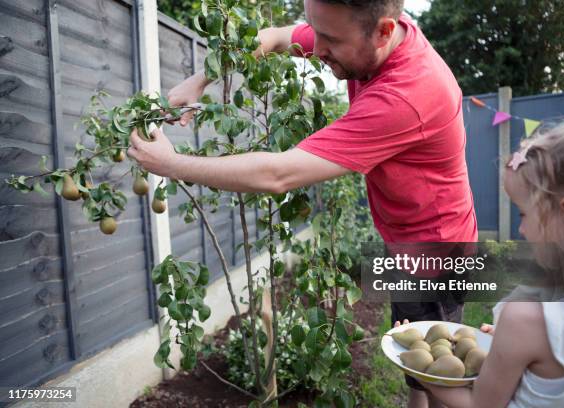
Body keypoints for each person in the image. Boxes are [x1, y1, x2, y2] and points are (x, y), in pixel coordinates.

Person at [129, 2, 477, 406]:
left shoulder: (408, 95)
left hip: (436, 254)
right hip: (406, 242)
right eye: (317, 32)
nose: (318, 48)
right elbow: (276, 38)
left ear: (383, 32)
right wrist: (198, 80)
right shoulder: (364, 36)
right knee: (414, 362)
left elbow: (279, 175)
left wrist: (172, 164)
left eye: (330, 39)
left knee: (440, 376)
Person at [396, 115, 564, 407]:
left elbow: (479, 405)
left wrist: (420, 369)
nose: (521, 229)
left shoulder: (525, 320)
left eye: (523, 214)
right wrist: (512, 347)